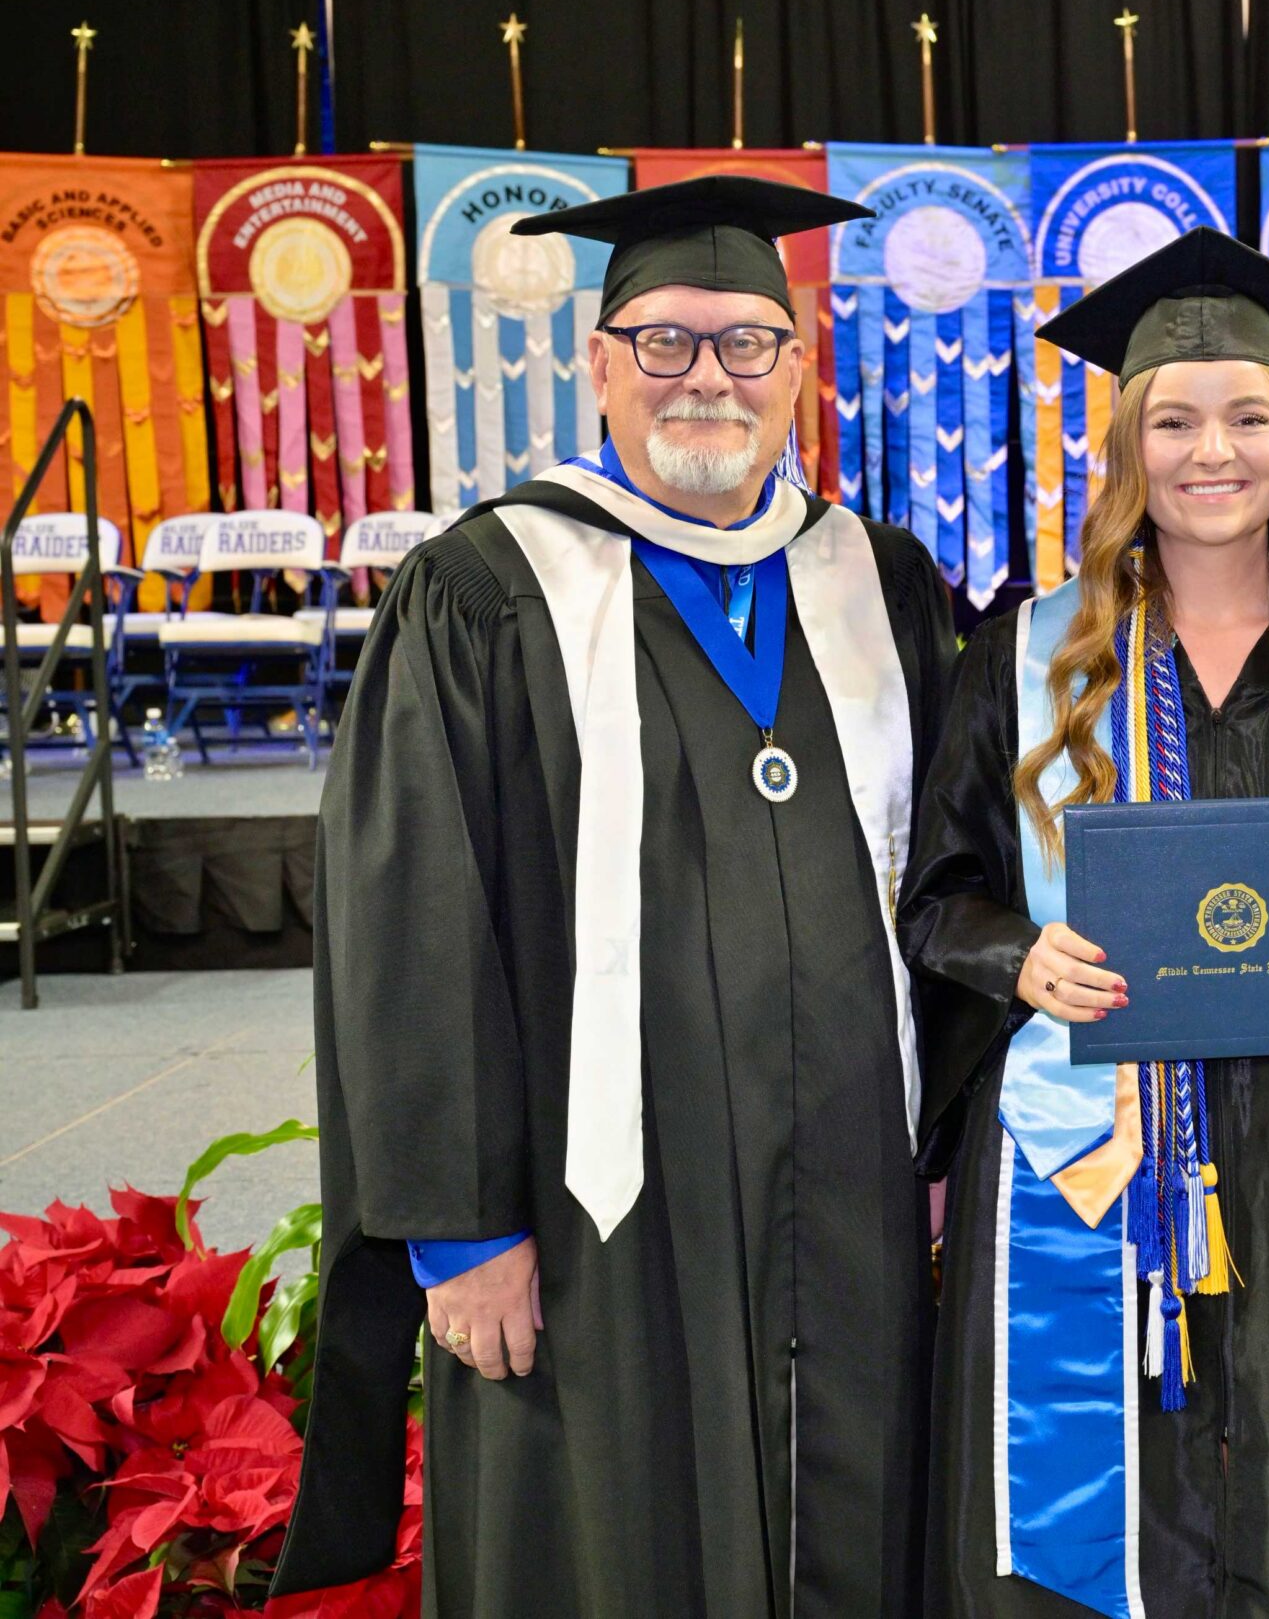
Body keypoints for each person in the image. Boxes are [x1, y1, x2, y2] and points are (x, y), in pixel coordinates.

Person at [270, 176, 953, 1616]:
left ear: (797, 363)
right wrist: (460, 1230)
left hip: (852, 1186)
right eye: (664, 342)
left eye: (745, 343)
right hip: (593, 1214)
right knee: (612, 1537)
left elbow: (955, 881)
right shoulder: (485, 587)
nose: (707, 376)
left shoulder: (876, 582)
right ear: (596, 364)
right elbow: (411, 922)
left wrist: (947, 1136)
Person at [901, 228, 1269, 1619]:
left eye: (1249, 416)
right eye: (1173, 419)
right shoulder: (1025, 655)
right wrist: (1017, 956)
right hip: (1085, 1140)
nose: (1212, 451)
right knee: (1085, 1510)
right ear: (1128, 447)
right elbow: (936, 896)